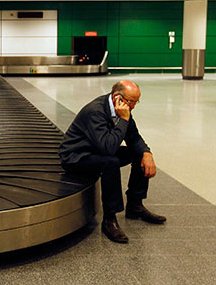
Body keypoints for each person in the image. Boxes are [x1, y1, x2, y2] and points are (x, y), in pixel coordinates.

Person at [59, 80, 166, 243]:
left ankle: (135, 205)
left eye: (137, 102)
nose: (133, 107)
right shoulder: (96, 111)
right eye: (131, 102)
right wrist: (123, 120)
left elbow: (133, 137)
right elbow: (107, 148)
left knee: (137, 153)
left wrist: (147, 153)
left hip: (97, 149)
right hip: (76, 156)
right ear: (117, 97)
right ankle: (110, 219)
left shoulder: (123, 107)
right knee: (111, 162)